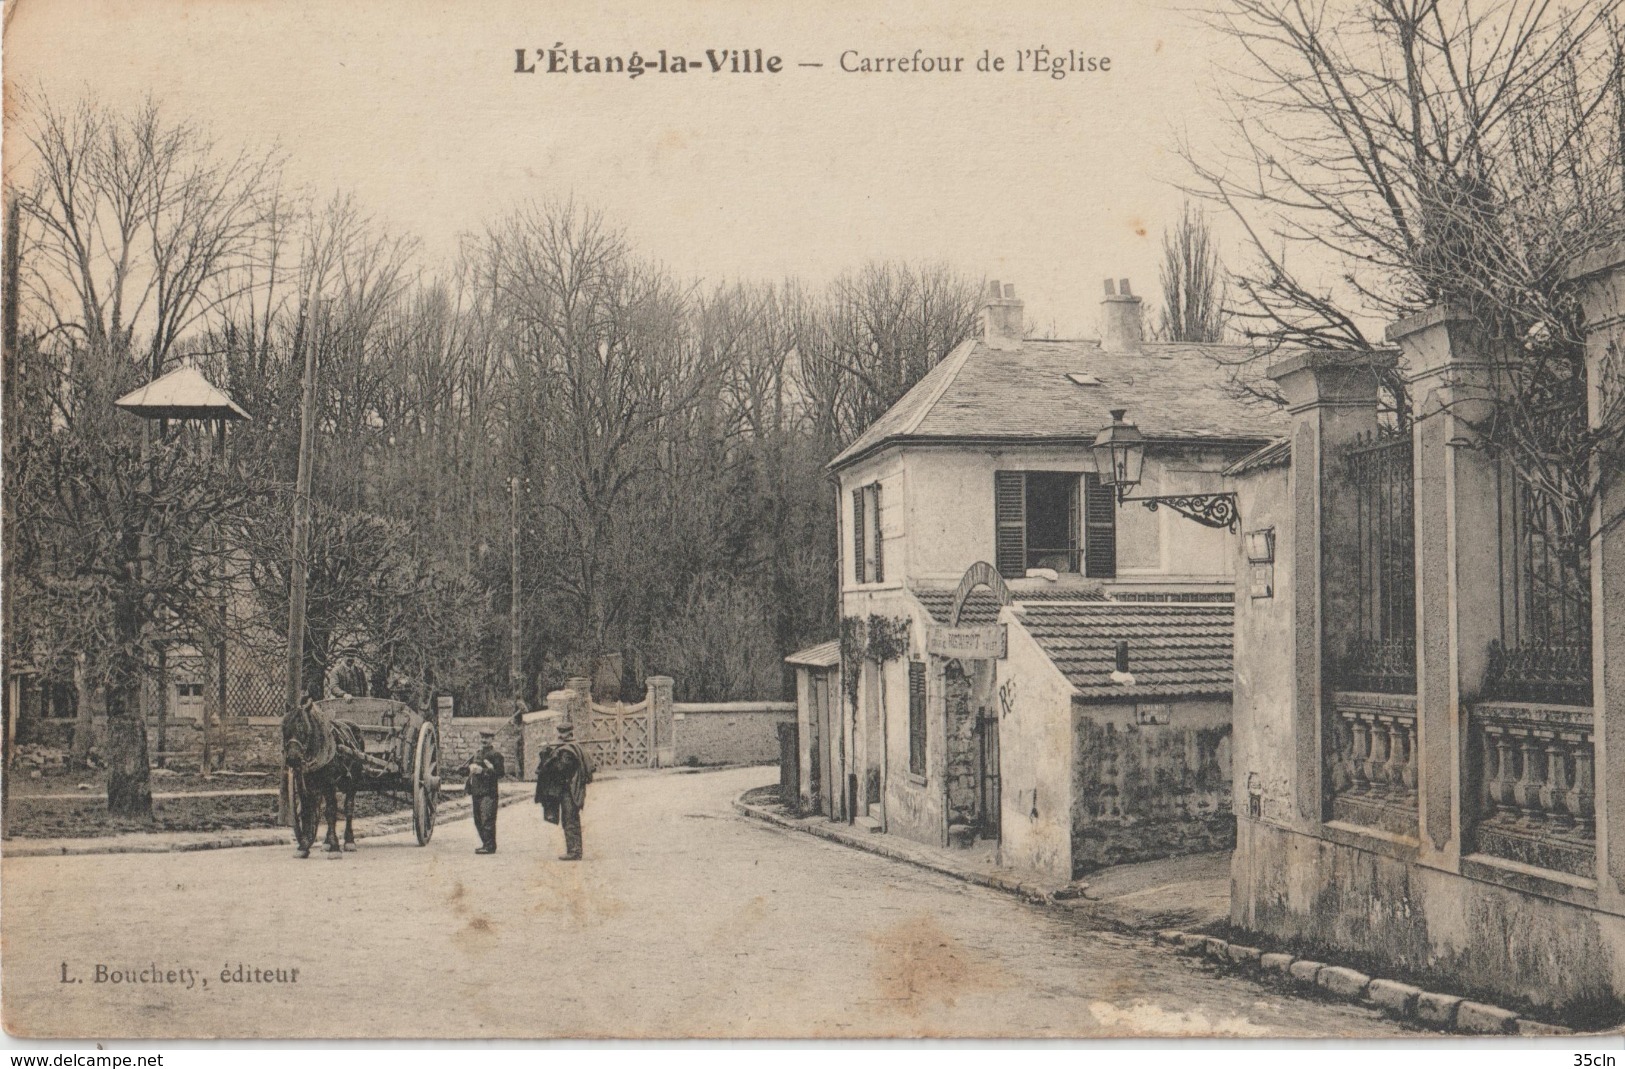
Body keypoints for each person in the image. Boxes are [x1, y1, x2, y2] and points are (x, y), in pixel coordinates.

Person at [534, 720, 591, 860]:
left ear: (570, 734)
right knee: (569, 819)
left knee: (570, 819)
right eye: (560, 734)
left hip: (570, 790)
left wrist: (546, 755)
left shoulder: (569, 751)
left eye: (563, 734)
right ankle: (574, 850)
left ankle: (575, 851)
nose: (561, 736)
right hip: (566, 789)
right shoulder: (565, 748)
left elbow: (559, 768)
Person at [465, 729, 505, 854]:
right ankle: (486, 843)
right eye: (482, 737)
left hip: (489, 792)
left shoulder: (496, 755)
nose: (484, 740)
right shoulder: (477, 754)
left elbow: (500, 773)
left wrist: (483, 771)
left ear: (492, 739)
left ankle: (490, 846)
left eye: (487, 738)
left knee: (487, 819)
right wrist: (468, 769)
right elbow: (468, 772)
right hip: (476, 791)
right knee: (478, 820)